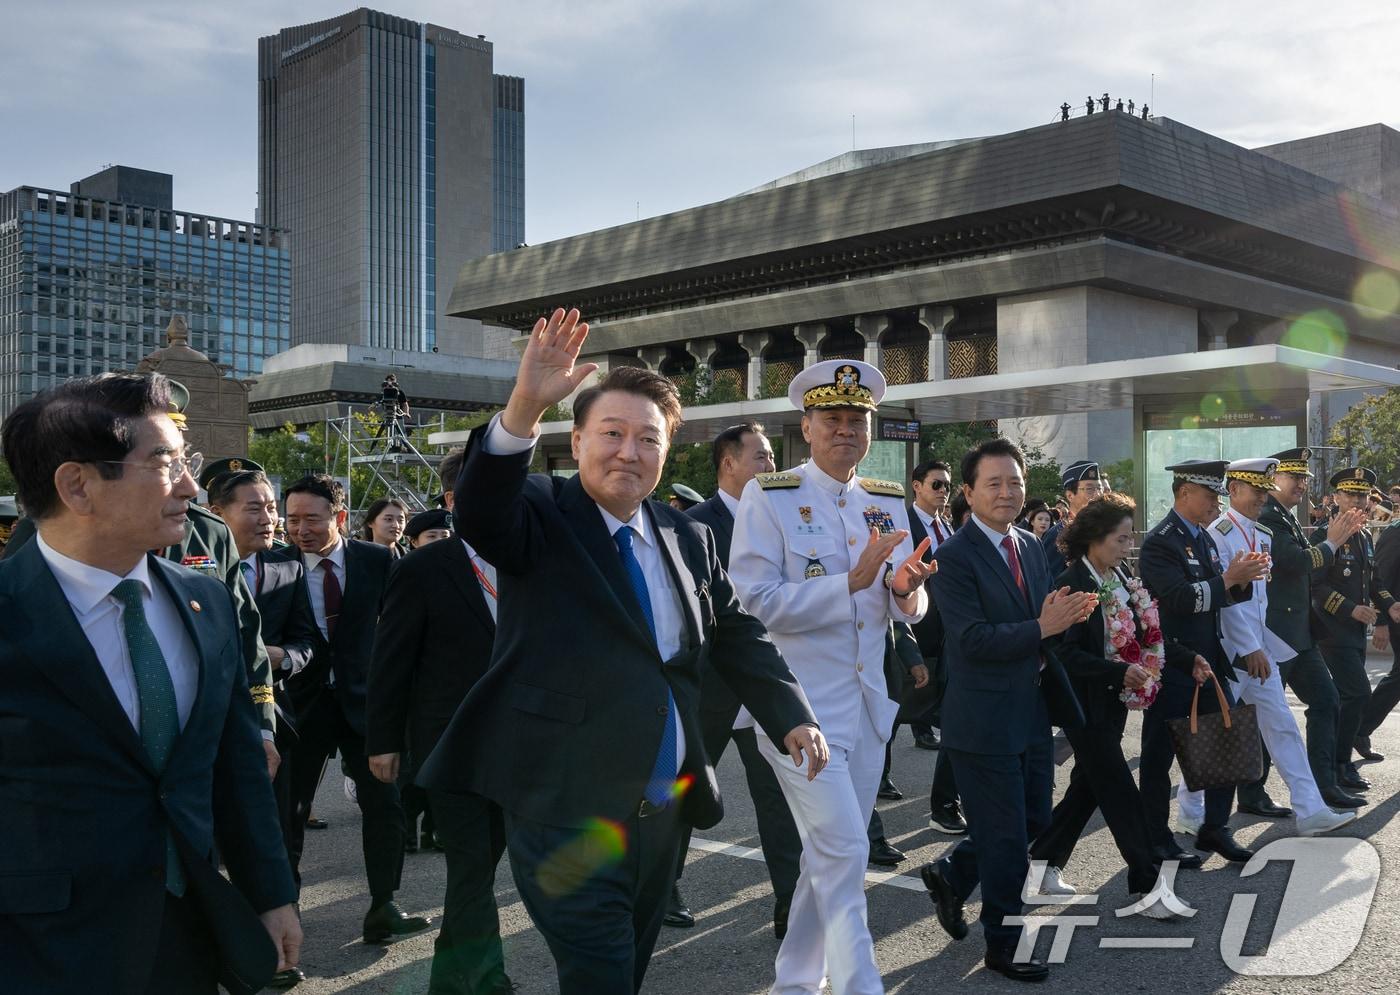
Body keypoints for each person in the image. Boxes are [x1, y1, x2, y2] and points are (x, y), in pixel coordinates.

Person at [417, 309, 825, 995]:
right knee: (601, 973)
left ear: (668, 453)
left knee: (623, 972)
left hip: (660, 809)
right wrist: (523, 406)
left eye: (647, 439)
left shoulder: (686, 536)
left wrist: (792, 712)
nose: (628, 452)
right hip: (565, 809)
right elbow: (482, 512)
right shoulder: (541, 512)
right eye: (611, 433)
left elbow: (734, 631)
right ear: (576, 441)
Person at [0, 372, 300, 993]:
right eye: (164, 462)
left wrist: (270, 893)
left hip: (187, 933)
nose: (191, 486)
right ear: (77, 485)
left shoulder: (207, 601)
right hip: (41, 948)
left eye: (185, 460)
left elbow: (235, 763)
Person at [729, 358, 931, 995]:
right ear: (807, 427)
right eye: (833, 420)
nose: (846, 431)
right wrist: (847, 584)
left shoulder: (884, 500)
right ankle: (857, 984)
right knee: (846, 850)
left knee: (830, 855)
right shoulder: (772, 495)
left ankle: (794, 981)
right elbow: (753, 600)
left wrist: (905, 591)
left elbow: (905, 600)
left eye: (858, 421)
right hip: (798, 709)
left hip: (868, 704)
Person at [917, 437, 1094, 983]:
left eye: (1015, 481)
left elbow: (1039, 621)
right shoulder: (952, 557)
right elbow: (971, 639)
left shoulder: (1031, 545)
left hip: (1032, 710)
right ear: (967, 493)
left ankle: (953, 872)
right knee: (1007, 841)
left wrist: (1059, 619)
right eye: (993, 483)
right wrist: (1043, 626)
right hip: (982, 719)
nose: (1007, 492)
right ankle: (1004, 943)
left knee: (1034, 819)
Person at [367, 447, 515, 995]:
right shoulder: (423, 568)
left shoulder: (531, 559)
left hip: (520, 745)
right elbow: (392, 661)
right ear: (453, 501)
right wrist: (383, 741)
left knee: (484, 867)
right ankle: (485, 978)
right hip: (450, 745)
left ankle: (450, 977)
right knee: (471, 867)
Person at [1029, 493, 1202, 917]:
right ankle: (1148, 887)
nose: (1128, 548)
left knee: (1086, 790)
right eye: (1121, 540)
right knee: (1122, 794)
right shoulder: (1074, 582)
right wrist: (1116, 673)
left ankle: (1037, 868)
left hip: (1113, 704)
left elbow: (1146, 634)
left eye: (1129, 539)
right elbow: (1062, 653)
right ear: (1094, 538)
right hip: (1082, 704)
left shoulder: (1121, 576)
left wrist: (1187, 658)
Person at [277, 474, 431, 944]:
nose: (300, 530)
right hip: (298, 707)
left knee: (384, 805)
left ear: (340, 518)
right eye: (292, 520)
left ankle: (384, 905)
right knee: (289, 808)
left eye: (312, 520)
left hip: (368, 704)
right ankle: (286, 910)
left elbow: (405, 633)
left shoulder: (379, 560)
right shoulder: (273, 564)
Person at [667, 421, 803, 940]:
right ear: (730, 464)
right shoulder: (690, 526)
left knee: (777, 796)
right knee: (684, 789)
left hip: (764, 680)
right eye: (764, 457)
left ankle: (790, 903)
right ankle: (663, 883)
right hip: (709, 684)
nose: (772, 466)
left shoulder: (784, 518)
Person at [1175, 459, 1357, 837]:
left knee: (1283, 728)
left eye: (1263, 489)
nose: (1260, 497)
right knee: (1214, 730)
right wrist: (1250, 648)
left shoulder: (1261, 534)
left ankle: (1310, 810)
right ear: (1234, 490)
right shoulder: (1219, 533)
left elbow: (1259, 602)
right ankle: (1191, 811)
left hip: (1261, 650)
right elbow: (1227, 601)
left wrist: (1269, 648)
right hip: (1231, 653)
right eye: (1254, 490)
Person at [206, 460, 321, 991]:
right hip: (207, 731)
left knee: (277, 837)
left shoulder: (288, 567)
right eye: (254, 508)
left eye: (271, 506)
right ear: (216, 514)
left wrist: (281, 658)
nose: (269, 518)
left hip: (273, 722)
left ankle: (276, 945)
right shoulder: (182, 565)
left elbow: (307, 641)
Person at [1137, 460, 1267, 866]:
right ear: (1185, 492)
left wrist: (1243, 579)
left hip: (1210, 661)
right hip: (1173, 662)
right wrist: (1228, 579)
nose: (1216, 503)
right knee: (1159, 760)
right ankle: (1157, 840)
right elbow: (1179, 598)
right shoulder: (1162, 541)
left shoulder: (1205, 539)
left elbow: (1220, 597)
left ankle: (1215, 827)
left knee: (1227, 744)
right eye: (1211, 495)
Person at [1313, 465, 1400, 792]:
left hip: (1354, 633)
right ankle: (1337, 763)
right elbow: (1315, 588)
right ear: (1336, 497)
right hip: (1330, 629)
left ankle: (1340, 763)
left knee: (1349, 697)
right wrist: (1352, 609)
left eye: (1362, 495)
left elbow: (1375, 581)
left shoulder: (1363, 535)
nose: (1358, 501)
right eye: (1350, 493)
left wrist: (1389, 604)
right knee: (1357, 693)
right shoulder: (1324, 536)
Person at [906, 459, 965, 831]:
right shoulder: (902, 522)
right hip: (917, 626)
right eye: (936, 485)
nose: (943, 492)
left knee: (943, 708)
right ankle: (878, 778)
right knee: (895, 708)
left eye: (947, 486)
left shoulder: (946, 526)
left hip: (948, 631)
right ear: (916, 486)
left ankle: (946, 802)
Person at [1359, 504, 1400, 759]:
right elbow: (1381, 579)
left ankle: (1358, 729)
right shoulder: (1395, 533)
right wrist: (1382, 622)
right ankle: (1359, 728)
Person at [1041, 461, 1103, 578]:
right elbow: (1050, 581)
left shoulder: (1105, 530)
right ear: (1070, 496)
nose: (1098, 494)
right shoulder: (1058, 534)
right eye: (1090, 489)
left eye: (1100, 488)